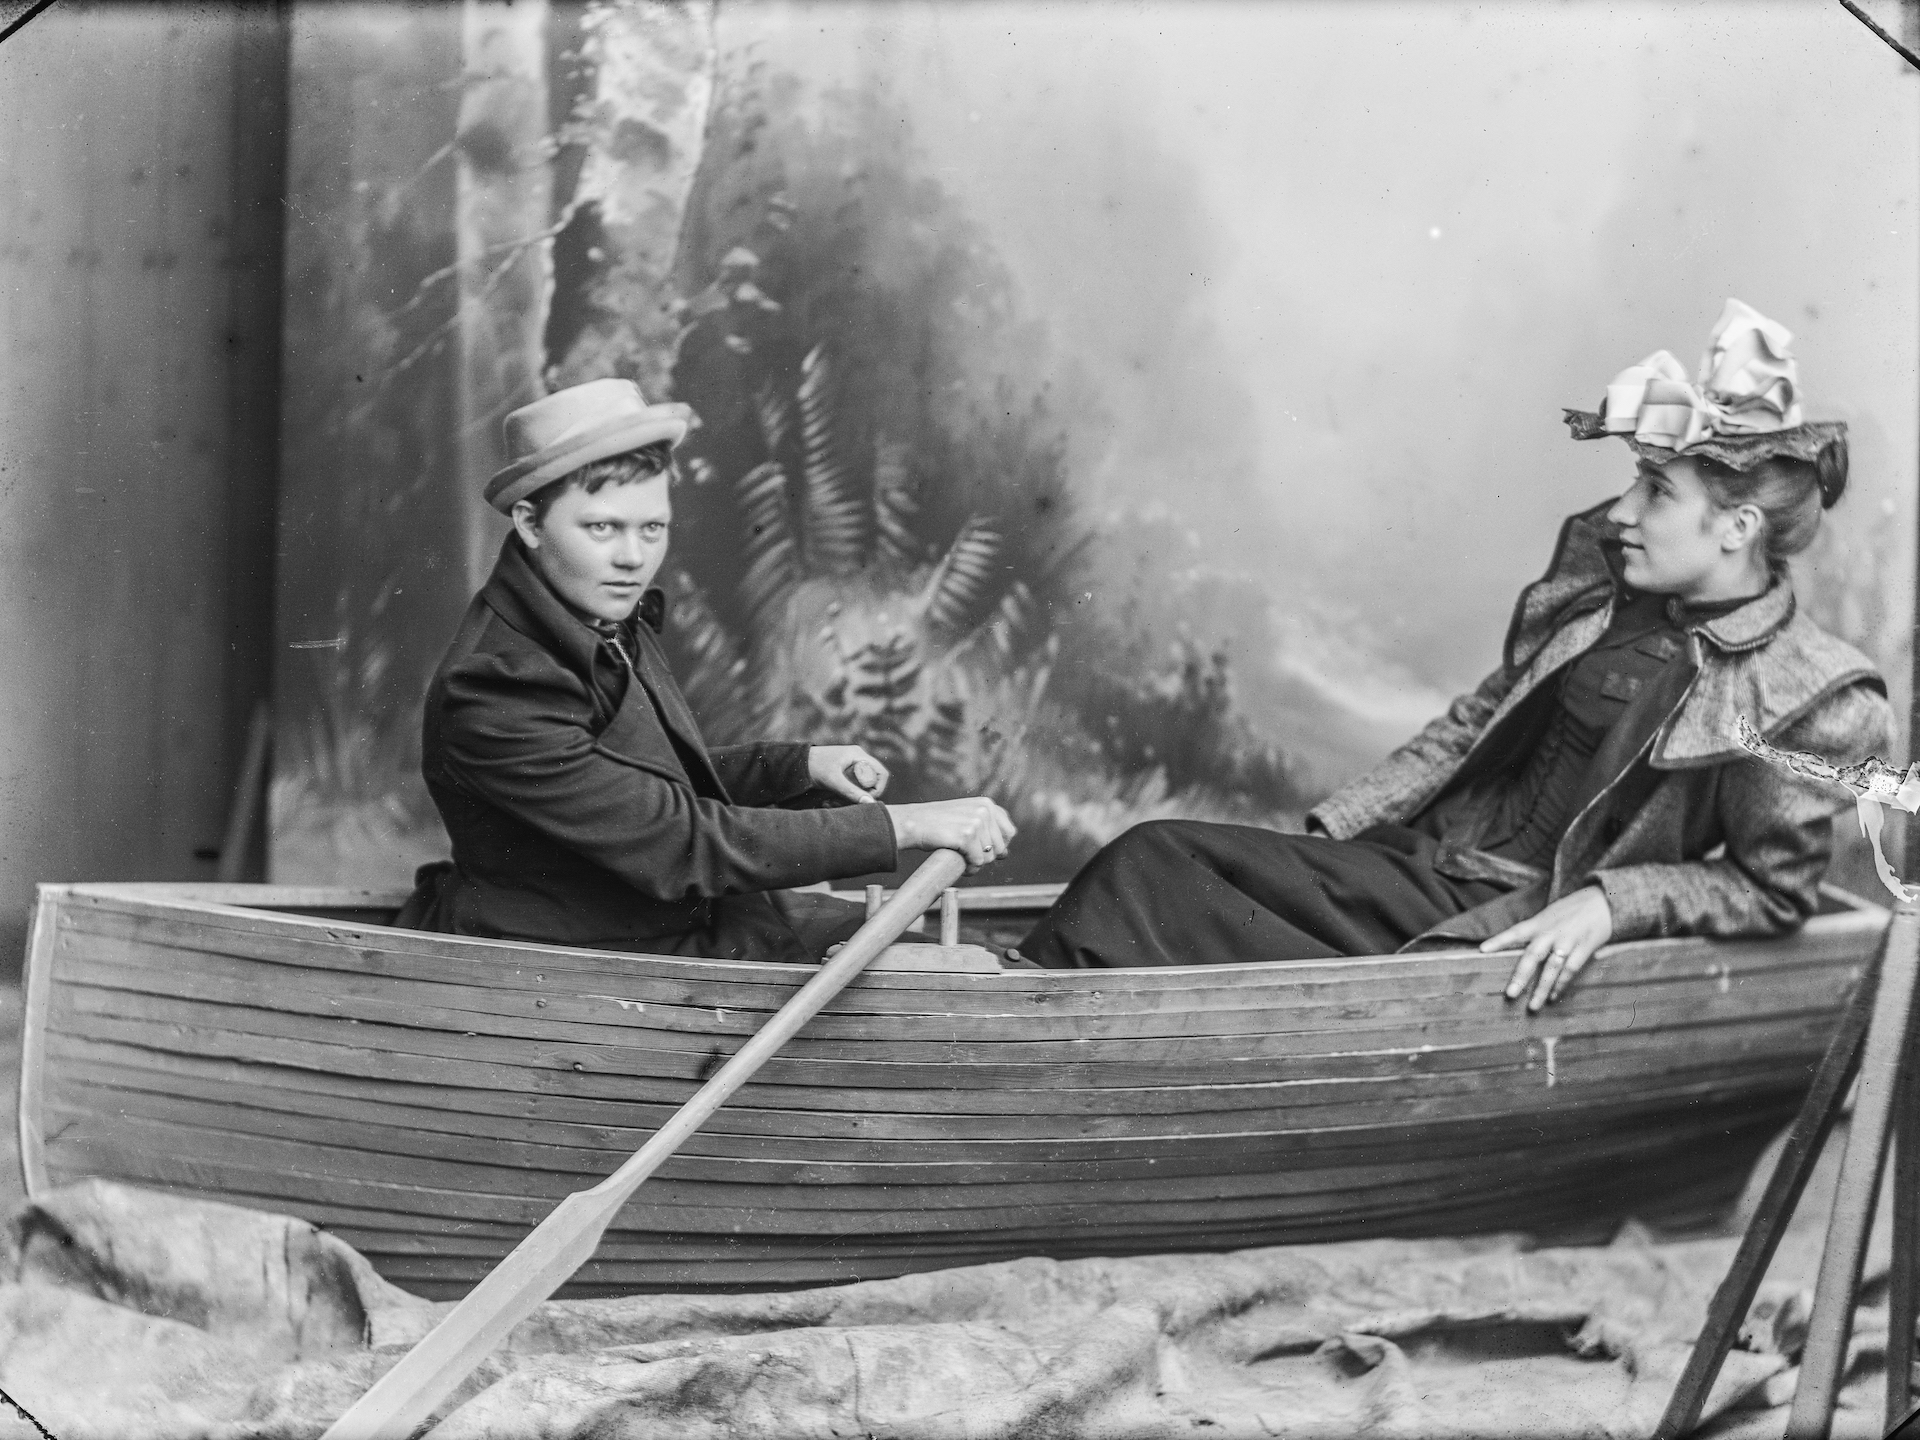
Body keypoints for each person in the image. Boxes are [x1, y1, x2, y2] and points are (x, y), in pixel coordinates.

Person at [1017, 300, 1890, 1008]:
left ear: (1737, 528)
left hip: (1500, 920)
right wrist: (1330, 836)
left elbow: (1770, 890)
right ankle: (1023, 1018)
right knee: (1167, 866)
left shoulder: (1810, 695)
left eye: (1655, 490)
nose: (1622, 511)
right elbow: (1475, 723)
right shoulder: (1605, 597)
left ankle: (1018, 1026)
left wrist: (1610, 900)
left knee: (1154, 866)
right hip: (1421, 867)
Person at [398, 378, 1015, 960]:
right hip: (597, 967)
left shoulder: (593, 613)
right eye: (602, 528)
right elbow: (677, 842)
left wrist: (794, 767)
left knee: (976, 950)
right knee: (960, 968)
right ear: (530, 522)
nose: (632, 559)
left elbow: (639, 785)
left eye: (652, 528)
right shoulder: (494, 685)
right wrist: (901, 825)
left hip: (675, 920)